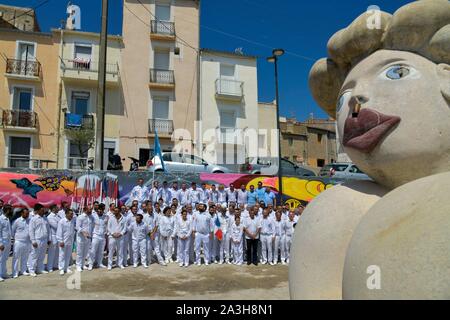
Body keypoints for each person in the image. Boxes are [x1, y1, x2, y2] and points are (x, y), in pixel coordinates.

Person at [28, 203, 50, 277]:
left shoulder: (45, 218)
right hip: (37, 240)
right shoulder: (33, 219)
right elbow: (31, 230)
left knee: (42, 255)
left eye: (43, 210)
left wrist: (48, 239)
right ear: (37, 211)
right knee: (34, 255)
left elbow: (48, 229)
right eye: (41, 210)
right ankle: (32, 270)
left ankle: (40, 269)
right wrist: (33, 241)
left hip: (44, 239)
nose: (43, 211)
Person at [11, 208, 31, 278]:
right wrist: (15, 239)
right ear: (22, 213)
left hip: (27, 242)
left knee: (25, 257)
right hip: (18, 242)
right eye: (26, 213)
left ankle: (23, 270)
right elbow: (12, 231)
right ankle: (15, 272)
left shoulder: (29, 220)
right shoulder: (17, 221)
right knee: (16, 258)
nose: (28, 215)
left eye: (28, 213)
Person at [88, 203, 108, 270]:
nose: (100, 212)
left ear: (103, 211)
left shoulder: (106, 217)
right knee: (93, 250)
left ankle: (100, 263)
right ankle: (91, 264)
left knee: (101, 251)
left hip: (103, 236)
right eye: (98, 210)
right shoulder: (93, 216)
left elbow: (107, 226)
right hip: (95, 235)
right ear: (97, 210)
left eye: (101, 210)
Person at [57, 209, 76, 275]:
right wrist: (61, 241)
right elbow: (59, 232)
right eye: (70, 214)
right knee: (62, 255)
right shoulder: (62, 221)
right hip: (63, 241)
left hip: (70, 241)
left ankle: (66, 267)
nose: (72, 215)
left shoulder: (72, 221)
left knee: (68, 255)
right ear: (66, 214)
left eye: (72, 214)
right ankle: (61, 269)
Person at [75, 206, 94, 272]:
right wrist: (83, 232)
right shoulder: (80, 217)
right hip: (81, 238)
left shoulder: (91, 217)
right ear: (85, 210)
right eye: (89, 209)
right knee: (80, 252)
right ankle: (78, 265)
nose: (91, 210)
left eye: (91, 209)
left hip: (88, 238)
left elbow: (92, 226)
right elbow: (77, 227)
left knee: (85, 252)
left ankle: (82, 264)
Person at [46, 205, 61, 272]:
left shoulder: (58, 216)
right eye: (57, 207)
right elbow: (56, 226)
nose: (58, 208)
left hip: (58, 236)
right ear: (53, 209)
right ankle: (49, 266)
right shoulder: (50, 217)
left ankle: (55, 265)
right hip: (53, 236)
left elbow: (60, 225)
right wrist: (61, 225)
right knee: (51, 252)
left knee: (57, 252)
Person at [0, 204, 12, 281]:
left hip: (8, 241)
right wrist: (0, 243)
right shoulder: (0, 219)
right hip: (2, 242)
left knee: (4, 258)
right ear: (7, 210)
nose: (12, 211)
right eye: (11, 210)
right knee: (0, 259)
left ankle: (4, 273)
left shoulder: (7, 219)